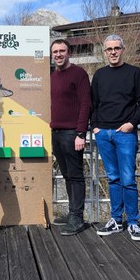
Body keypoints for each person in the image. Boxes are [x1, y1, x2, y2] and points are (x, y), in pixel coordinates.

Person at [91, 34, 140, 241]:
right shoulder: (99, 75)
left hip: (125, 133)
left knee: (128, 180)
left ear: (123, 49)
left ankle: (133, 222)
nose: (113, 52)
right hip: (103, 134)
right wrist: (95, 127)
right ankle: (116, 220)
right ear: (105, 52)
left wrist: (131, 124)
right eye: (109, 49)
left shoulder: (135, 73)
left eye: (116, 48)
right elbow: (93, 104)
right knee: (113, 178)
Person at [50, 39, 91, 236]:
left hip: (72, 134)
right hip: (56, 133)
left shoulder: (79, 74)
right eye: (55, 51)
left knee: (75, 175)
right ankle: (72, 213)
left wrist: (81, 133)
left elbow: (86, 104)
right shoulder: (52, 76)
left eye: (62, 51)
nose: (58, 54)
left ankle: (77, 217)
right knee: (66, 175)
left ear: (69, 53)